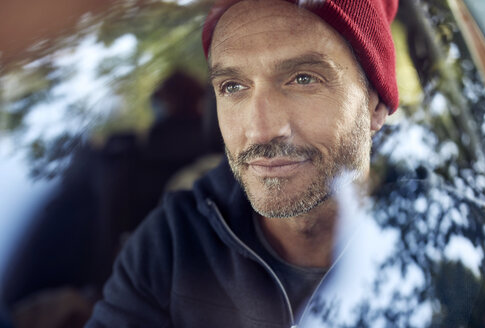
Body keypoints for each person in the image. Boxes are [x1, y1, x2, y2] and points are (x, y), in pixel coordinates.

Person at [85, 0, 398, 327]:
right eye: (232, 87)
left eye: (304, 79)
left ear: (374, 104)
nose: (260, 131)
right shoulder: (171, 246)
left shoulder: (435, 229)